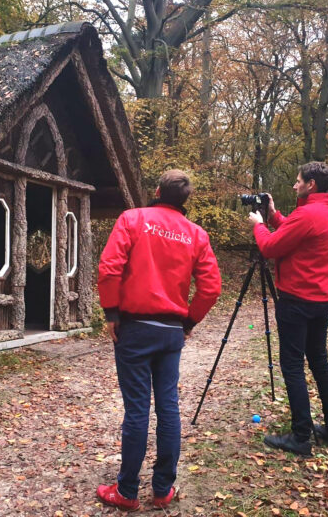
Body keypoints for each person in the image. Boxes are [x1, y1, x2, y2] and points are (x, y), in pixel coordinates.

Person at [96, 169, 222, 510]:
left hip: (135, 328)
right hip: (170, 332)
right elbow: (211, 288)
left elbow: (109, 268)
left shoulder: (132, 219)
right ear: (185, 199)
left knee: (137, 409)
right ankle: (163, 489)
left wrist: (111, 313)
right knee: (168, 407)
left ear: (156, 191)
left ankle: (127, 492)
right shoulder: (196, 234)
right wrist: (189, 321)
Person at [248, 161, 328, 456]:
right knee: (319, 362)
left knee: (292, 365)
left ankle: (301, 436)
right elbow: (297, 232)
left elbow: (270, 247)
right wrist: (274, 215)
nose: (294, 185)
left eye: (298, 181)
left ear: (310, 184)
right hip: (321, 300)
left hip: (297, 300)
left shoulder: (307, 214)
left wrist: (259, 225)